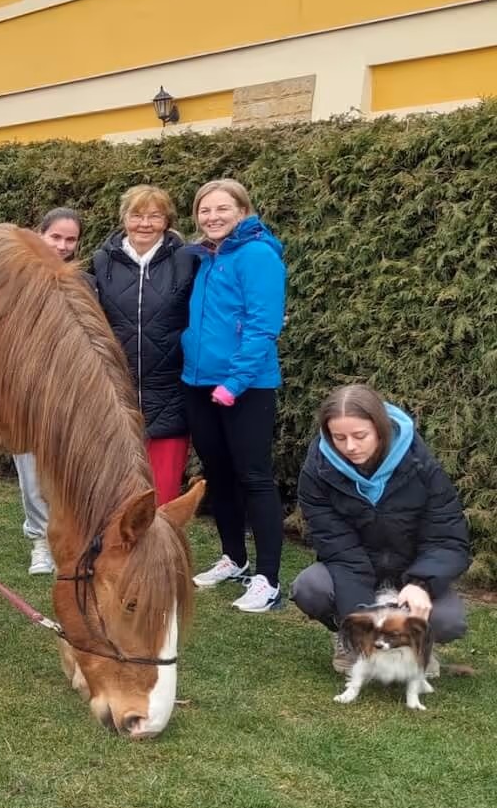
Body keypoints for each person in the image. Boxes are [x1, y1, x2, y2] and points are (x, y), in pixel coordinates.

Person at [293, 385, 470, 674]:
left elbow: (448, 539)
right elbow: (338, 547)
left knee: (449, 620)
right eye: (339, 438)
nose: (350, 446)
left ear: (380, 429)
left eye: (359, 436)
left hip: (410, 572)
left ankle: (417, 645)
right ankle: (348, 638)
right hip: (352, 569)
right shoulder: (316, 473)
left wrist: (421, 584)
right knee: (309, 588)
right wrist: (360, 616)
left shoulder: (422, 466)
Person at [182, 178, 287, 612]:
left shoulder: (258, 255)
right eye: (205, 211)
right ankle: (234, 558)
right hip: (199, 382)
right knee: (218, 474)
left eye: (222, 209)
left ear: (242, 211)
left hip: (245, 387)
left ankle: (268, 580)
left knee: (254, 478)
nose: (213, 217)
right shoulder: (205, 257)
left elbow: (264, 324)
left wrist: (235, 383)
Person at [88, 185, 195, 506]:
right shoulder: (101, 261)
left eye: (155, 216)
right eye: (136, 215)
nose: (144, 224)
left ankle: (160, 555)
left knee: (161, 499)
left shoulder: (188, 259)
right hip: (115, 393)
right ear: (124, 219)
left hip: (170, 390)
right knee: (116, 496)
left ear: (167, 220)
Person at [17, 208, 83, 575]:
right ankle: (41, 539)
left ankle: (68, 535)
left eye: (70, 239)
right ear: (39, 234)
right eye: (55, 237)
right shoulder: (14, 279)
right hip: (25, 390)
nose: (61, 245)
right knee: (30, 469)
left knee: (65, 469)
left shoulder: (82, 282)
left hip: (70, 392)